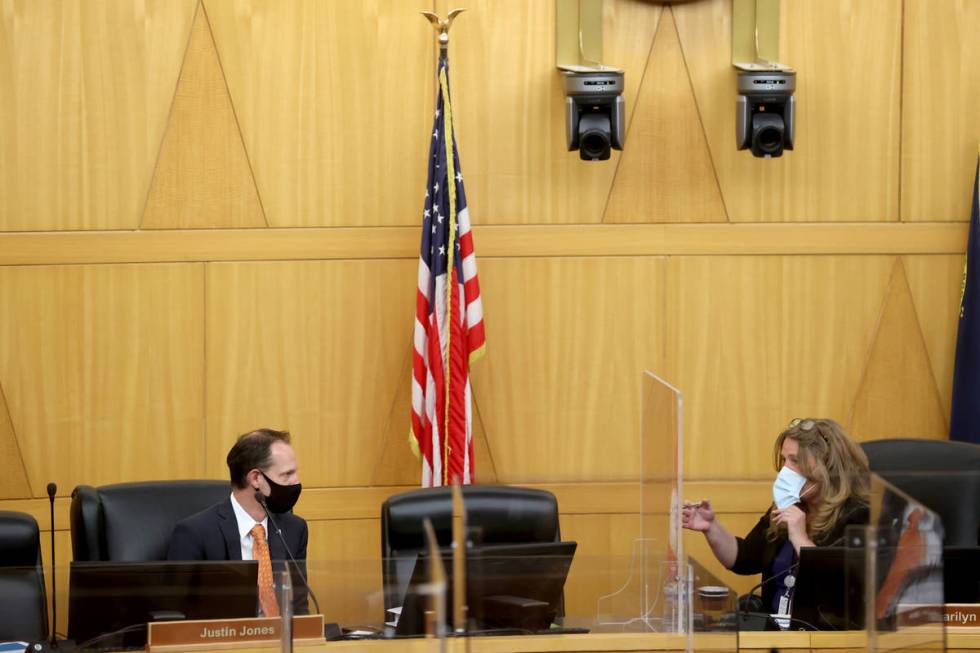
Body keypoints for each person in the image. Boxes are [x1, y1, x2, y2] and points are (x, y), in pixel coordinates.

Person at [682, 418, 869, 622]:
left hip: (822, 636)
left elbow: (839, 591)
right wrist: (711, 527)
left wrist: (799, 537)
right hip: (776, 635)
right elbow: (744, 558)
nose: (785, 470)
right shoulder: (789, 505)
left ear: (828, 466)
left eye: (795, 461)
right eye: (784, 460)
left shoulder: (858, 516)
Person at [168, 428, 310, 615]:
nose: (296, 481)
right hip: (225, 640)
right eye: (287, 474)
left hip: (281, 640)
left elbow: (298, 608)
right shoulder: (195, 533)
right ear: (256, 478)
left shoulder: (294, 529)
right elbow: (176, 615)